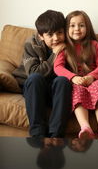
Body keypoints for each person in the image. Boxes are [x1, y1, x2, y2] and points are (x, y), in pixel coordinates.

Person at [54, 10, 98, 140]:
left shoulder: (94, 45)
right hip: (77, 82)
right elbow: (58, 67)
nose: (77, 29)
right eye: (72, 25)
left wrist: (91, 77)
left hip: (95, 79)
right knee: (76, 91)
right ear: (66, 28)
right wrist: (73, 78)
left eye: (81, 25)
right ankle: (85, 128)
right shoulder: (64, 48)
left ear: (87, 28)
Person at [12, 10, 72, 138]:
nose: (56, 38)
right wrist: (55, 55)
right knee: (35, 78)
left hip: (55, 90)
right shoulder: (31, 43)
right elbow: (33, 71)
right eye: (50, 35)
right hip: (34, 88)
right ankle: (38, 134)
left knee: (63, 80)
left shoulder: (69, 43)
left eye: (59, 33)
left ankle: (56, 136)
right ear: (40, 35)